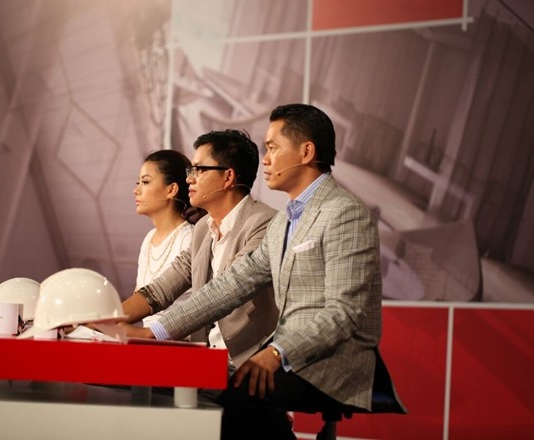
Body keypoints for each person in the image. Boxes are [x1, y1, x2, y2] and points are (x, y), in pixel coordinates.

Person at [131, 104, 385, 440]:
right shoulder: (284, 221)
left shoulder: (344, 213)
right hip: (285, 352)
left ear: (306, 152)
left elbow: (345, 313)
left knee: (240, 396)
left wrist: (277, 352)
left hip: (334, 357)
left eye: (273, 148)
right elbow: (231, 285)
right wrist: (156, 332)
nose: (266, 159)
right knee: (227, 394)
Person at [122, 129, 278, 369]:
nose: (189, 179)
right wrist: (103, 318)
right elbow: (160, 290)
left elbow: (226, 291)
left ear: (228, 177)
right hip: (206, 359)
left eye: (198, 170)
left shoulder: (264, 222)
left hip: (249, 364)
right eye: (190, 171)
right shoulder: (204, 228)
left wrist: (153, 333)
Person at [133, 149, 198, 327]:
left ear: (171, 189)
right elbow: (137, 302)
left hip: (178, 338)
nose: (136, 190)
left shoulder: (190, 238)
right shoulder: (149, 238)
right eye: (138, 182)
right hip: (147, 338)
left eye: (145, 182)